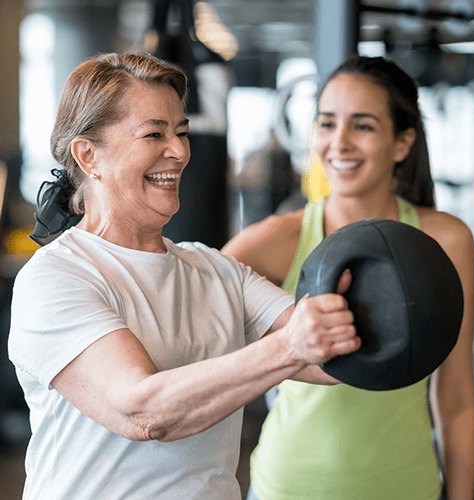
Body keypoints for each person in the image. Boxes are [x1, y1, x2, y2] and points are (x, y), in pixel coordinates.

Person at [7, 52, 362, 500]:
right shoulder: (58, 276)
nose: (178, 151)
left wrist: (376, 311)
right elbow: (144, 411)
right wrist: (291, 346)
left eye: (182, 132)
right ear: (87, 155)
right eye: (154, 133)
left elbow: (325, 358)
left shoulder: (217, 270)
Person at [222, 55, 474, 500]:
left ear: (402, 143)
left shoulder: (446, 240)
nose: (338, 143)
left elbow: (455, 398)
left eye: (362, 126)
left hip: (406, 488)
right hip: (288, 487)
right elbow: (199, 344)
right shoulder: (273, 241)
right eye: (326, 124)